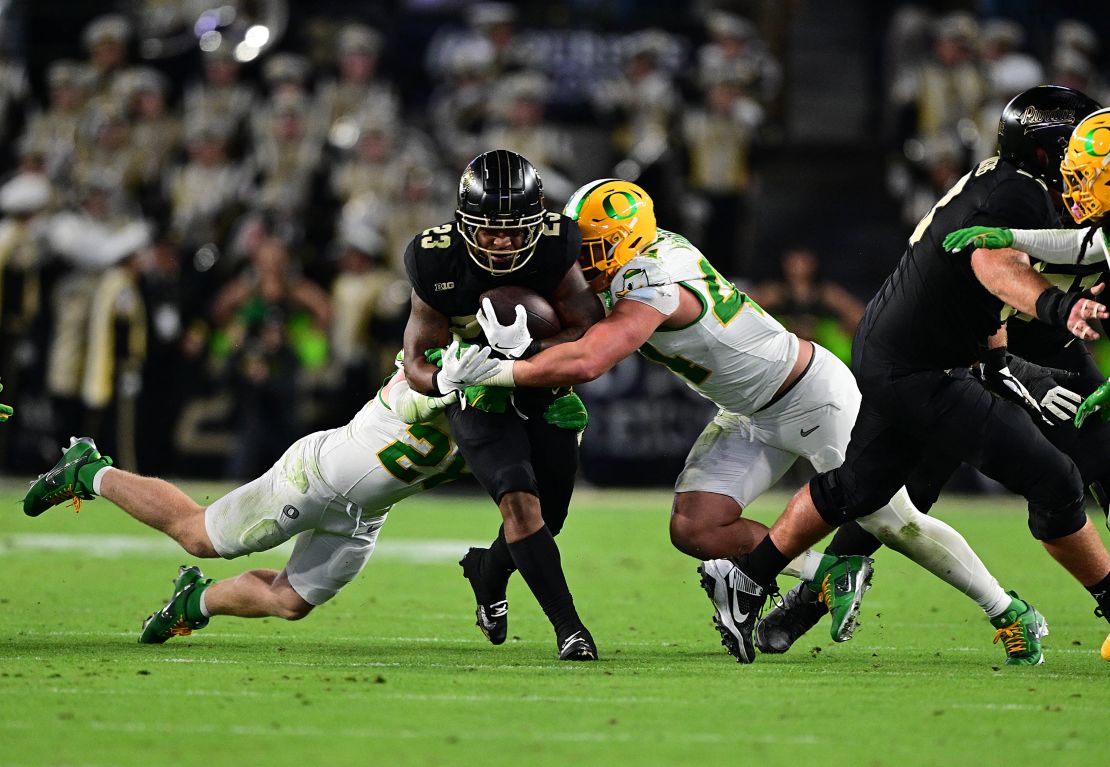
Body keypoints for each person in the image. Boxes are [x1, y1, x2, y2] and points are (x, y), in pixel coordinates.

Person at [445, 177, 1046, 665]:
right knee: (695, 525)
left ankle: (1008, 612)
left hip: (810, 396)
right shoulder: (649, 252)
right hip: (749, 410)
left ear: (624, 245)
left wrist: (496, 371)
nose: (581, 259)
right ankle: (822, 575)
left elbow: (592, 358)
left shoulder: (653, 281)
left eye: (592, 247)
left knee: (895, 524)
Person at [704, 85, 1110, 662]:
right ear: (1048, 156)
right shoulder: (1022, 195)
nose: (1086, 167)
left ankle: (749, 577)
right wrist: (1017, 347)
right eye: (1081, 151)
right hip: (951, 352)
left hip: (957, 343)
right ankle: (812, 592)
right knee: (1011, 481)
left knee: (863, 487)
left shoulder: (1025, 188)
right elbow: (995, 264)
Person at [20, 357, 588, 643]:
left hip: (366, 513)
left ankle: (194, 602)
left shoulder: (517, 415)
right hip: (315, 477)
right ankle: (90, 471)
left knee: (291, 604)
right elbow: (412, 388)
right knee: (198, 534)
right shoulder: (452, 364)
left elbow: (538, 480)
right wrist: (455, 377)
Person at [400, 149, 605, 661]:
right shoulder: (434, 259)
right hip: (477, 392)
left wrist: (533, 350)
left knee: (547, 519)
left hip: (544, 388)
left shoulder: (558, 245)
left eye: (515, 230)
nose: (501, 241)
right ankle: (570, 629)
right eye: (489, 230)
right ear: (464, 222)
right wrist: (445, 375)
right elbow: (415, 363)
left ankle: (488, 572)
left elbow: (588, 326)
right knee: (519, 500)